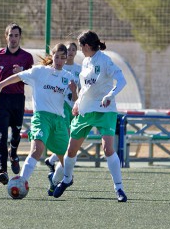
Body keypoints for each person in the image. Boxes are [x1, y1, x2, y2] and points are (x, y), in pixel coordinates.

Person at [0, 43, 76, 195]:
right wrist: (0, 85)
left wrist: (75, 92)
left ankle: (55, 181)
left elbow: (75, 99)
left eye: (63, 58)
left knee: (67, 160)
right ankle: (20, 181)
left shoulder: (68, 77)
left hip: (59, 121)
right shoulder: (40, 71)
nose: (60, 61)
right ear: (52, 56)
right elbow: (18, 77)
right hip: (41, 117)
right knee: (37, 149)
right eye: (57, 57)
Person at [52, 30, 128, 202]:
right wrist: (78, 103)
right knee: (71, 149)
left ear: (86, 46)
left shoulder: (105, 61)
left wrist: (110, 95)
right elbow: (85, 88)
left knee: (108, 148)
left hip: (105, 110)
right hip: (85, 110)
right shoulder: (85, 61)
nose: (79, 49)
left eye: (80, 46)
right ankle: (67, 179)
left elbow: (122, 80)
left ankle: (119, 188)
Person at [0, 23, 34, 185]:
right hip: (2, 100)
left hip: (17, 99)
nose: (13, 39)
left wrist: (21, 73)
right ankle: (3, 171)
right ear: (6, 36)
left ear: (19, 37)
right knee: (2, 135)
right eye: (11, 35)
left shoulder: (27, 57)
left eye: (16, 36)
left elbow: (31, 79)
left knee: (16, 133)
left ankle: (13, 153)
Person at [46, 42, 80, 196]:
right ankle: (63, 176)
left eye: (74, 50)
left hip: (75, 109)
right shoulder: (55, 70)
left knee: (70, 149)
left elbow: (77, 95)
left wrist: (76, 95)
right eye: (69, 50)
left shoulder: (78, 71)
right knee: (68, 148)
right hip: (60, 111)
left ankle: (56, 177)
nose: (71, 52)